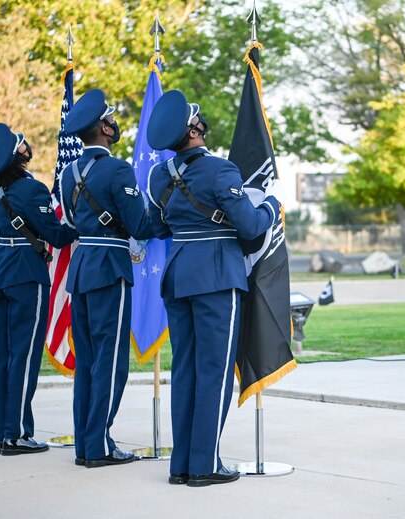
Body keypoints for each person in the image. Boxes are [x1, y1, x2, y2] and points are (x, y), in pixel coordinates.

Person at [145, 90, 283, 487]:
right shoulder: (221, 171)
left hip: (178, 274)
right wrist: (271, 205)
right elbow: (253, 227)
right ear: (193, 131)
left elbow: (154, 227)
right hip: (216, 276)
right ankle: (204, 465)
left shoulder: (159, 177)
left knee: (185, 369)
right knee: (215, 371)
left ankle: (182, 465)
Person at [60, 89, 154, 468]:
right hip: (109, 267)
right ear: (103, 128)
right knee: (111, 361)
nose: (115, 124)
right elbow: (138, 225)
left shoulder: (69, 173)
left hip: (82, 266)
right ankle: (98, 444)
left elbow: (69, 220)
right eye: (111, 119)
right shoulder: (117, 170)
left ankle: (86, 442)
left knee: (87, 361)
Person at [0, 123, 78, 456]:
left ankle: (2, 432)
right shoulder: (31, 190)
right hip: (26, 273)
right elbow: (55, 234)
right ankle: (17, 434)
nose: (26, 145)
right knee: (24, 355)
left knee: (5, 356)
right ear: (16, 155)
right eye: (21, 143)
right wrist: (78, 222)